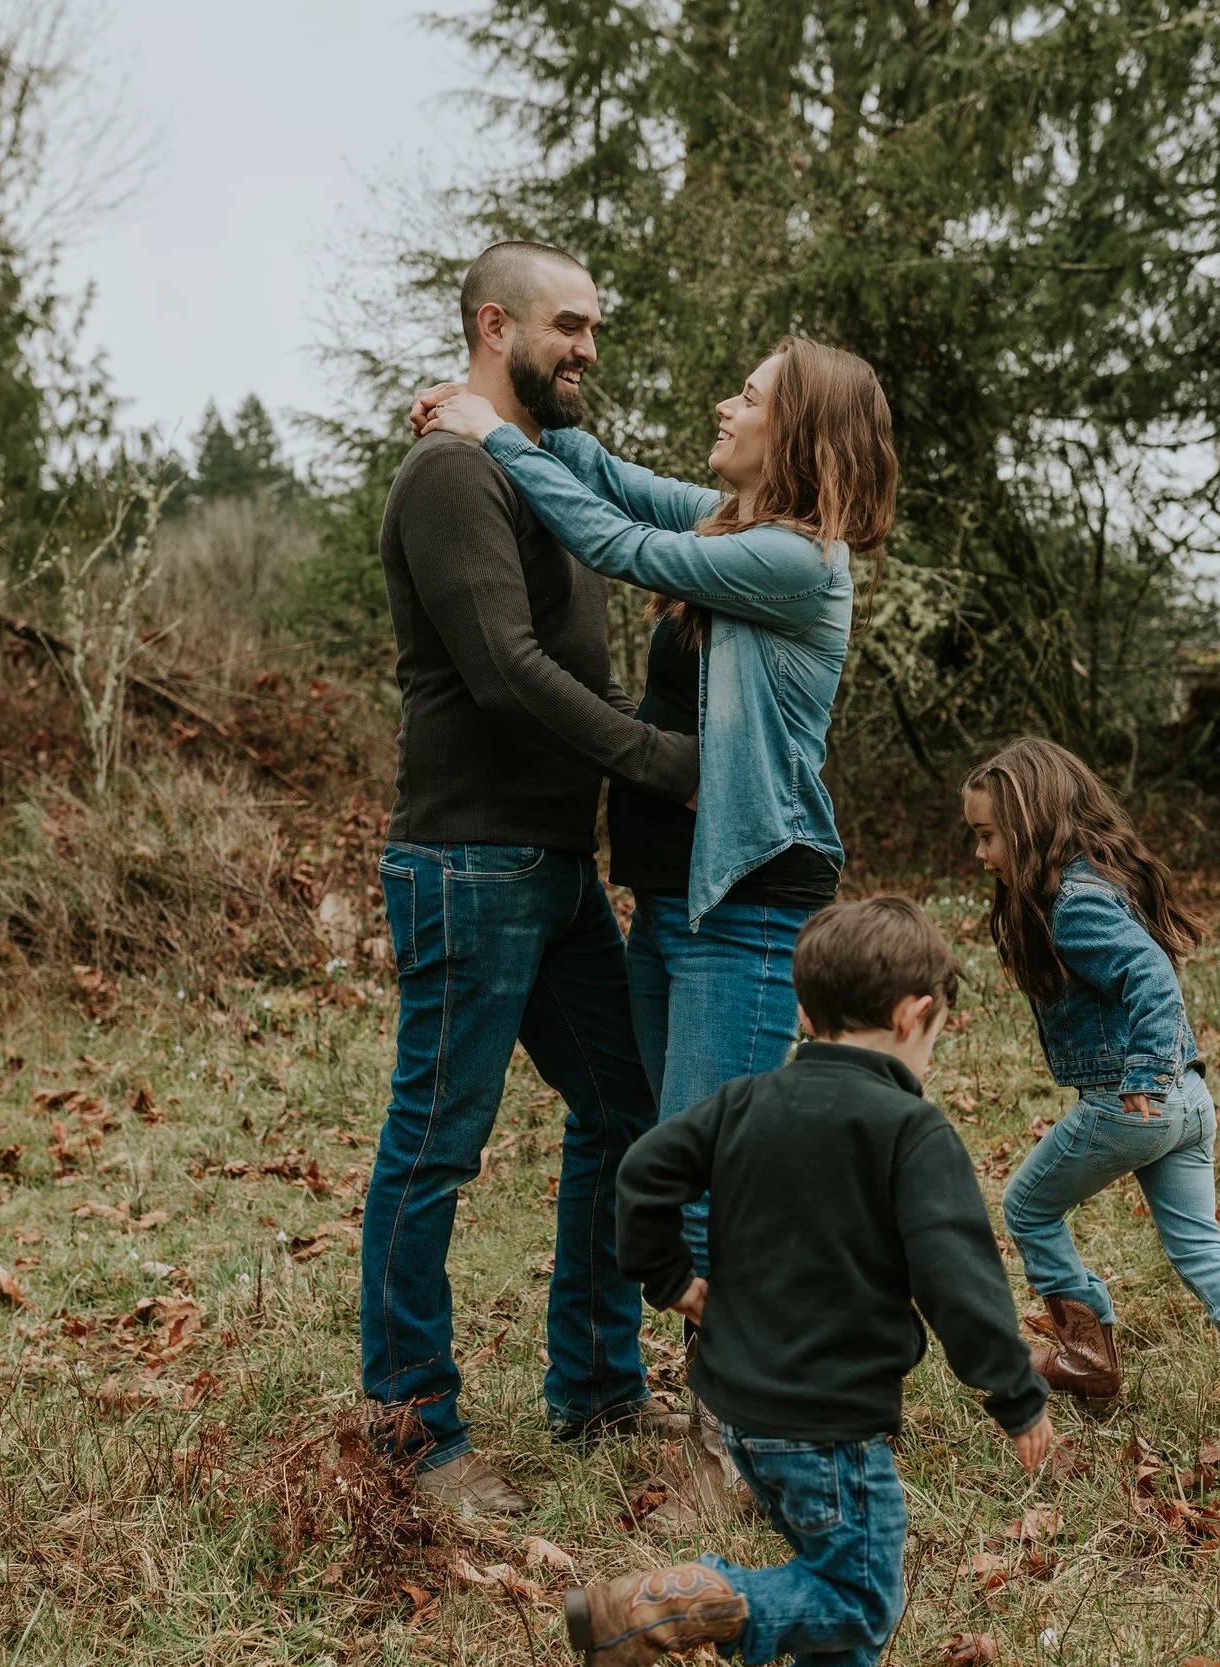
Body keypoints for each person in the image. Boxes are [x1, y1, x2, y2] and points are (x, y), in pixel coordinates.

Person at [416, 338, 898, 1521]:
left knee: (703, 1191)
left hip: (746, 907)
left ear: (799, 435)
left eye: (751, 394)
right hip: (673, 898)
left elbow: (616, 542)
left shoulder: (794, 559)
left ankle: (736, 1456)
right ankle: (611, 1389)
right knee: (639, 1148)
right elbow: (612, 477)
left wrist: (489, 442)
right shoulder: (739, 522)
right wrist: (495, 404)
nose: (723, 401)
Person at [362, 240, 699, 1517]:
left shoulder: (538, 462)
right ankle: (413, 1434)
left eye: (596, 327)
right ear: (494, 324)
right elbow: (502, 666)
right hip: (467, 860)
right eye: (569, 325)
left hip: (550, 868)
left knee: (626, 1107)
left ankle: (599, 1383)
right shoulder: (450, 473)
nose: (588, 350)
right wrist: (660, 760)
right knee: (436, 1148)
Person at [564, 896, 1055, 1667]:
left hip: (739, 1413)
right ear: (912, 1015)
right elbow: (958, 1274)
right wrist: (1016, 1393)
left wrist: (673, 1281)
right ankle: (684, 1599)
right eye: (936, 1033)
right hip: (830, 1429)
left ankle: (701, 1603)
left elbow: (643, 1170)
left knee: (827, 1596)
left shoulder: (747, 1101)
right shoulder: (910, 1130)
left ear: (802, 1007)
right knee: (859, 1600)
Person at [963, 736, 1220, 1493]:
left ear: (1032, 821)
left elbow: (1150, 979)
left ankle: (1088, 1355)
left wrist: (1140, 1071)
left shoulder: (1073, 905)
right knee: (1201, 1247)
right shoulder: (1099, 883)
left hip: (1133, 1099)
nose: (980, 854)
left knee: (1027, 1205)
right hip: (1190, 1100)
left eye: (987, 834)